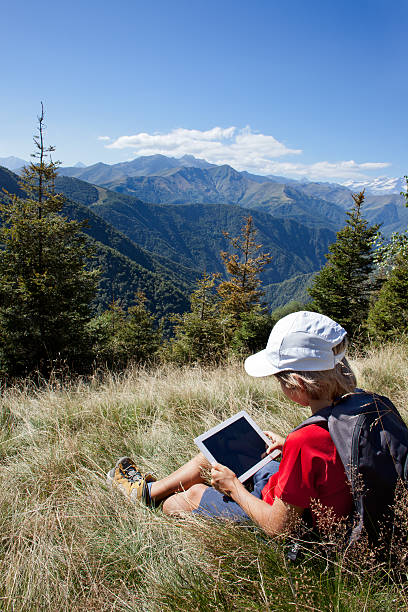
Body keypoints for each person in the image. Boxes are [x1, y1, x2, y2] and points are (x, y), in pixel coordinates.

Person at [107, 311, 357, 537]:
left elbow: (279, 529)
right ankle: (147, 492)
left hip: (298, 527)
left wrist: (234, 488)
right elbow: (332, 461)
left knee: (190, 497)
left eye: (280, 381)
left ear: (297, 386)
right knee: (215, 454)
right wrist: (288, 448)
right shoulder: (368, 405)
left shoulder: (306, 440)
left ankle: (162, 502)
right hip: (300, 497)